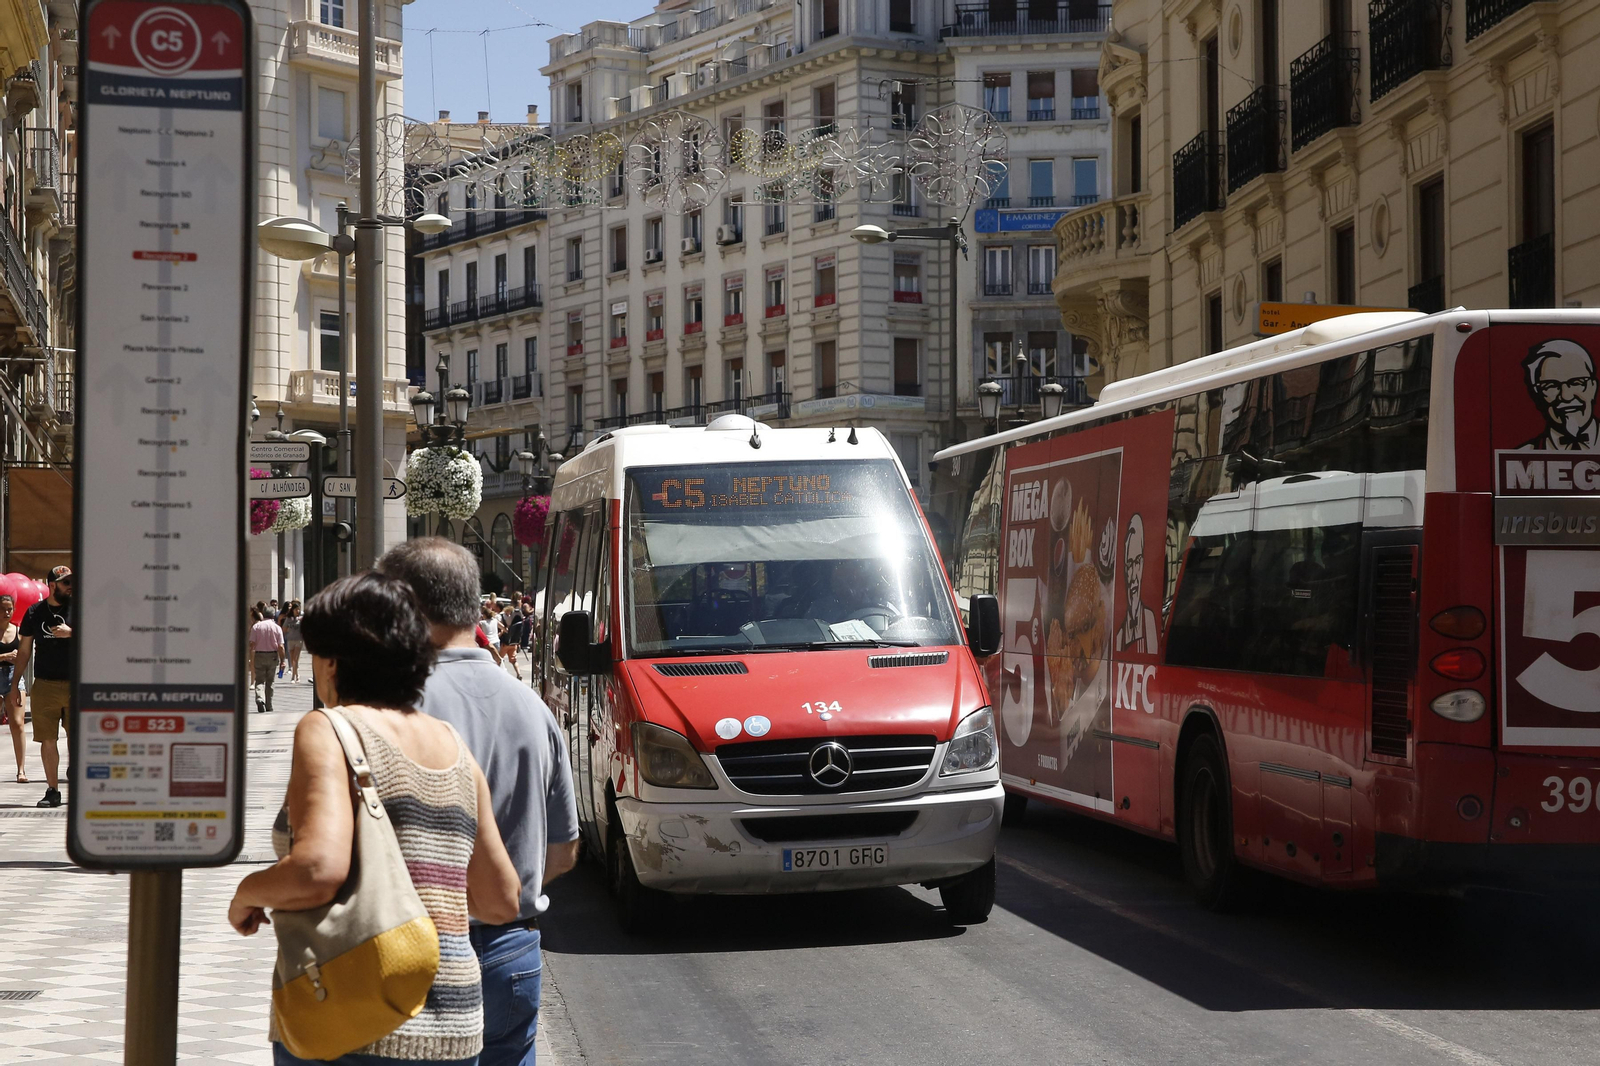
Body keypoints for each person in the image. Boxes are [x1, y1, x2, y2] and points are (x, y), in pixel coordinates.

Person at [228, 571, 522, 1066]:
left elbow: (317, 872)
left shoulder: (329, 729)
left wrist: (246, 895)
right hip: (454, 1025)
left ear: (333, 661)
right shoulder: (454, 746)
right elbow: (499, 900)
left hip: (355, 1020)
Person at [378, 538, 580, 1066]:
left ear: (401, 605)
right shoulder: (533, 709)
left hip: (412, 953)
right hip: (510, 952)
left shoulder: (388, 705)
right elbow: (561, 855)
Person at [10, 566, 72, 807]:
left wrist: (71, 632)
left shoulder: (79, 608)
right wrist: (16, 684)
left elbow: (96, 639)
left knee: (76, 737)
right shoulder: (35, 612)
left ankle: (74, 774)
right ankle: (52, 790)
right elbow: (24, 650)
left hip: (74, 685)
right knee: (47, 739)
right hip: (45, 685)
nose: (70, 586)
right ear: (52, 585)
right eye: (65, 583)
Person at [1519, 339, 1600, 451]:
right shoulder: (1522, 456)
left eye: (1576, 383)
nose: (1566, 396)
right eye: (1551, 385)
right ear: (1537, 394)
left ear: (1593, 387)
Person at [0, 594, 23, 783]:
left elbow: (26, 656)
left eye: (10, 609)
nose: (7, 612)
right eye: (3, 608)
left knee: (17, 723)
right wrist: (4, 656)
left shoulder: (18, 631)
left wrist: (18, 659)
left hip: (14, 676)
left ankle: (21, 770)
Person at [249, 607, 286, 713]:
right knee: (270, 681)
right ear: (273, 615)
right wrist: (283, 660)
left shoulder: (256, 627)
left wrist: (251, 657)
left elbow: (251, 644)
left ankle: (260, 698)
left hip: (259, 654)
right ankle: (269, 705)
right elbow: (281, 646)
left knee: (259, 680)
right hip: (272, 656)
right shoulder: (277, 628)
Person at [281, 601, 304, 682]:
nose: (298, 611)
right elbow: (284, 629)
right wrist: (289, 629)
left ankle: (293, 677)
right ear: (293, 610)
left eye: (299, 609)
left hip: (299, 639)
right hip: (290, 639)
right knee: (291, 658)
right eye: (296, 609)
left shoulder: (302, 617)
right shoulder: (288, 618)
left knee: (295, 658)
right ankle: (297, 674)